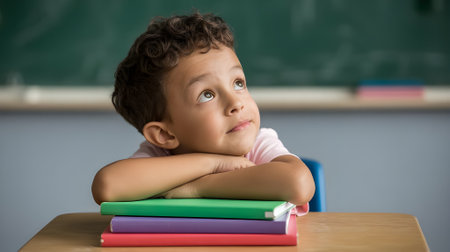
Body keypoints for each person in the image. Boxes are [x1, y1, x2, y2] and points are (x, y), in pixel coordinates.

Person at [91, 12, 315, 211]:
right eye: (207, 94)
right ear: (165, 135)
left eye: (238, 83)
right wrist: (214, 164)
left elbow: (299, 183)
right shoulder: (157, 155)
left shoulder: (259, 144)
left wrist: (197, 188)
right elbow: (107, 185)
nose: (236, 102)